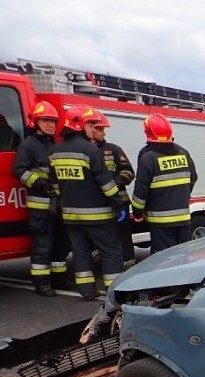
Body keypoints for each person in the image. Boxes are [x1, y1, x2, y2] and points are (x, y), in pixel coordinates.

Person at [49, 104, 125, 301]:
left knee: (81, 253)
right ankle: (113, 293)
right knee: (110, 252)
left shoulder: (55, 151)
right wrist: (118, 204)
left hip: (71, 216)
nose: (94, 129)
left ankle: (87, 291)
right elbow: (105, 183)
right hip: (98, 215)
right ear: (78, 125)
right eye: (91, 125)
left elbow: (56, 184)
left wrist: (62, 202)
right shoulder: (89, 150)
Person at [12, 101, 71, 296]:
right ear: (35, 122)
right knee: (43, 245)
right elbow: (19, 171)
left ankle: (59, 280)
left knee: (61, 245)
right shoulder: (28, 146)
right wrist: (41, 184)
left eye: (53, 122)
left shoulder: (56, 145)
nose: (51, 125)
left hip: (59, 205)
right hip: (40, 205)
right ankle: (42, 282)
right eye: (46, 121)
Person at [131, 114, 197, 253]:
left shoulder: (148, 158)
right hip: (183, 218)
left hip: (160, 222)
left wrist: (137, 214)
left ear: (148, 133)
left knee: (163, 261)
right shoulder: (183, 153)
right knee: (182, 256)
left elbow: (140, 191)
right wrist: (180, 197)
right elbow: (193, 178)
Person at [90, 110, 136, 267]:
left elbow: (129, 172)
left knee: (123, 235)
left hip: (118, 202)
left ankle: (128, 263)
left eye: (103, 129)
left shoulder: (113, 149)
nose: (103, 132)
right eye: (100, 129)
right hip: (96, 204)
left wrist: (112, 185)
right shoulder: (85, 150)